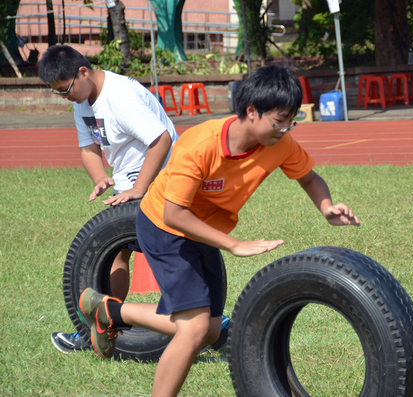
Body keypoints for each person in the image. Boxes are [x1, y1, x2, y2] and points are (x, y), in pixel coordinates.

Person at [79, 65, 360, 396]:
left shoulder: (279, 144)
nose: (285, 129)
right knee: (194, 329)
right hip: (163, 227)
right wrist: (233, 244)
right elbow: (174, 213)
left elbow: (309, 177)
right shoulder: (200, 144)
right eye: (279, 120)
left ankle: (110, 311)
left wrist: (326, 206)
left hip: (203, 229)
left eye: (291, 120)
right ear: (251, 111)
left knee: (210, 331)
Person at [38, 44, 181, 354]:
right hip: (130, 179)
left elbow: (161, 139)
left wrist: (141, 187)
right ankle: (104, 327)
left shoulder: (120, 97)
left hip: (165, 175)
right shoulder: (83, 99)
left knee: (168, 251)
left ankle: (204, 322)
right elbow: (88, 147)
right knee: (116, 252)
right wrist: (100, 176)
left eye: (66, 90)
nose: (66, 98)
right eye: (58, 94)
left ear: (83, 72)